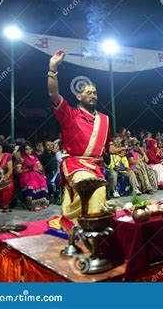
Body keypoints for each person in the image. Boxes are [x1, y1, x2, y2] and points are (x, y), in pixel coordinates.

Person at [47, 50, 123, 219]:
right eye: (88, 93)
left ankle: (82, 227)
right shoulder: (70, 115)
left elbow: (107, 146)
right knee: (96, 188)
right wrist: (52, 68)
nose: (93, 96)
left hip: (96, 167)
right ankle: (89, 229)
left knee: (88, 198)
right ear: (78, 96)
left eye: (95, 93)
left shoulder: (104, 119)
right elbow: (53, 94)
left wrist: (117, 150)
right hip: (75, 164)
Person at [15, 143, 49, 211]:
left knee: (42, 181)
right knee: (32, 183)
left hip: (36, 175)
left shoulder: (35, 158)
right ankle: (32, 205)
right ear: (23, 150)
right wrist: (28, 169)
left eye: (30, 149)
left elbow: (40, 167)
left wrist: (38, 168)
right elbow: (18, 171)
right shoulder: (20, 159)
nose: (28, 151)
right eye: (26, 149)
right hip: (26, 176)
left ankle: (42, 203)